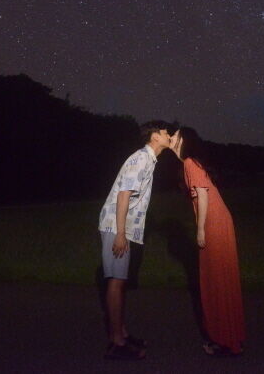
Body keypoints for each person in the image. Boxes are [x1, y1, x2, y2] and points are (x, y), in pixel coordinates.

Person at [97, 120, 173, 360]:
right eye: (165, 132)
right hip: (116, 226)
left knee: (120, 281)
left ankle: (122, 333)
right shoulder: (140, 158)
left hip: (124, 227)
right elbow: (123, 196)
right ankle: (116, 343)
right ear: (154, 137)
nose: (169, 135)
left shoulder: (149, 160)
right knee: (117, 282)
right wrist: (120, 233)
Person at [170, 127, 245, 357]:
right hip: (219, 220)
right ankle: (229, 338)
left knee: (215, 280)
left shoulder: (190, 163)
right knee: (221, 278)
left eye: (175, 135)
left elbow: (202, 194)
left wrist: (200, 229)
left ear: (183, 141)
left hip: (214, 223)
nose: (171, 138)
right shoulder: (191, 162)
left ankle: (224, 341)